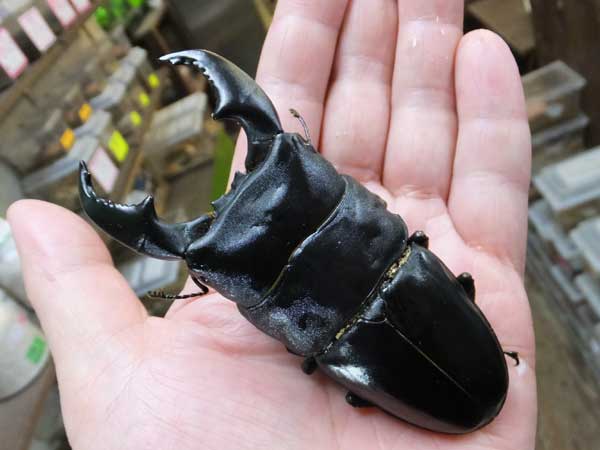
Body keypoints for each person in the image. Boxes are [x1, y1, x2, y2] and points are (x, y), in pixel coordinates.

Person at [8, 1, 536, 449]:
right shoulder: (411, 255)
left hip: (368, 352)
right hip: (428, 337)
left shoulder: (331, 342)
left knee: (352, 383)